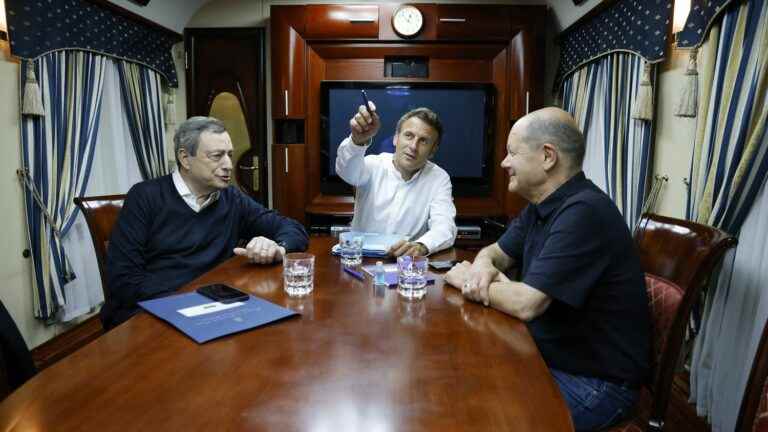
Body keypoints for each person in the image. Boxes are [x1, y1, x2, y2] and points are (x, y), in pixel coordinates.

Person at [444, 107, 650, 431]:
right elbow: (494, 252)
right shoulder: (540, 206)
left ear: (547, 157)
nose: (504, 163)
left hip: (595, 385)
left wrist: (466, 280)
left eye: (512, 153)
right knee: (456, 383)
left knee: (475, 417)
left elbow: (527, 303)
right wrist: (482, 269)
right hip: (549, 357)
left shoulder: (584, 211)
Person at [101, 117, 308, 329]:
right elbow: (123, 281)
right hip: (153, 313)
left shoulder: (231, 198)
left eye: (229, 155)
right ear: (185, 158)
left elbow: (294, 229)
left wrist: (278, 249)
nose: (228, 165)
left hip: (214, 309)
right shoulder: (144, 196)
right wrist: (194, 302)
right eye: (217, 156)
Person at [335, 103, 457, 257]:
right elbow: (345, 170)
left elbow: (445, 227)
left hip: (406, 264)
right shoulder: (373, 165)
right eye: (409, 135)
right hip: (360, 260)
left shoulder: (439, 178)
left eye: (423, 141)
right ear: (396, 139)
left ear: (432, 150)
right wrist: (357, 140)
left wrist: (420, 246)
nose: (413, 146)